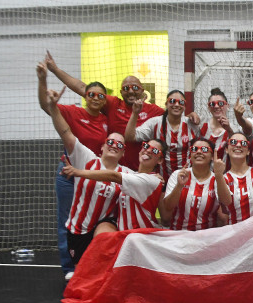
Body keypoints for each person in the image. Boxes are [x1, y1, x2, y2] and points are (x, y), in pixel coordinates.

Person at [43, 51, 200, 170]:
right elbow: (83, 88)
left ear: (142, 90)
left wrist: (190, 115)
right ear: (120, 92)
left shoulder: (154, 111)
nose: (130, 91)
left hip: (142, 170)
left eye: (135, 88)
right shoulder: (112, 104)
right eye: (126, 88)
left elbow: (173, 115)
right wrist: (55, 70)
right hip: (114, 168)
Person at [37, 60, 109, 280]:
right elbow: (46, 106)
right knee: (66, 221)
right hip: (69, 176)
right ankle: (69, 268)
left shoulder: (106, 121)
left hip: (93, 178)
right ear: (85, 96)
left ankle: (89, 264)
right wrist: (43, 79)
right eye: (91, 94)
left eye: (100, 96)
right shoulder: (72, 112)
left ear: (104, 100)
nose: (95, 98)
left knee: (92, 221)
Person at [44, 88, 126, 266]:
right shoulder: (87, 159)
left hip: (103, 225)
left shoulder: (126, 173)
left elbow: (145, 181)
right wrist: (53, 107)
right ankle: (71, 269)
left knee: (105, 236)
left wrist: (156, 178)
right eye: (110, 142)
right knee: (82, 270)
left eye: (119, 145)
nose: (114, 145)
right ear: (103, 146)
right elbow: (66, 133)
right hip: (79, 230)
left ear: (123, 153)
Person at [63, 139, 168, 230]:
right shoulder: (133, 175)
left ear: (160, 160)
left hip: (140, 236)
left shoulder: (152, 180)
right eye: (146, 146)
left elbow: (114, 176)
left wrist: (77, 172)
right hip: (125, 236)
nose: (148, 150)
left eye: (154, 151)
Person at [125, 90, 200, 181]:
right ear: (166, 104)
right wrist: (135, 113)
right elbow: (130, 137)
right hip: (160, 179)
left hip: (186, 178)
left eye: (181, 102)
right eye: (172, 101)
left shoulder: (192, 125)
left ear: (184, 106)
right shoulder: (155, 123)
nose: (177, 104)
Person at [162, 138, 226, 230]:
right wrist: (179, 186)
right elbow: (168, 207)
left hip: (207, 235)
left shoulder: (218, 179)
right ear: (190, 155)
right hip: (178, 234)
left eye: (204, 149)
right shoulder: (177, 174)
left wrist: (219, 175)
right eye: (194, 149)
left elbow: (226, 208)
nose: (199, 152)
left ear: (212, 156)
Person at [199, 88, 233, 166]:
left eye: (220, 103)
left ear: (227, 105)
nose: (216, 106)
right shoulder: (201, 124)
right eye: (212, 104)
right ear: (208, 107)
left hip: (225, 172)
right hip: (204, 172)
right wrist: (191, 114)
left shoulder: (234, 129)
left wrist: (229, 130)